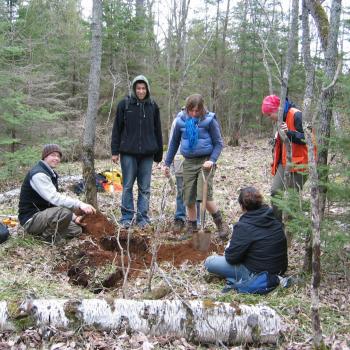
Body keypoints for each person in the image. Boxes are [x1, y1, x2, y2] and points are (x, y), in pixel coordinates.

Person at [163, 94, 228, 239]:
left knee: (203, 195)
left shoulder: (209, 120)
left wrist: (212, 160)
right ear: (187, 109)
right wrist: (166, 163)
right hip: (189, 162)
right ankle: (192, 228)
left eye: (197, 111)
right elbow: (174, 144)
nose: (194, 114)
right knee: (189, 197)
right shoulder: (181, 121)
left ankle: (221, 225)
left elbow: (219, 143)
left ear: (202, 109)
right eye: (191, 110)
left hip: (205, 162)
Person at [204, 187, 287, 290]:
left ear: (242, 206)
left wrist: (231, 246)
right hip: (280, 269)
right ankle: (234, 278)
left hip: (258, 274)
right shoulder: (273, 217)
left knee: (210, 262)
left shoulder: (244, 226)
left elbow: (231, 258)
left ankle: (239, 279)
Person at [111, 75, 163, 228]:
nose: (141, 91)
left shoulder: (153, 106)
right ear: (134, 89)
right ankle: (127, 217)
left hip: (147, 153)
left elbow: (158, 130)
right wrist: (115, 151)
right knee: (127, 186)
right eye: (138, 88)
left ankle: (143, 218)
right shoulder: (125, 105)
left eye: (143, 88)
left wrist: (159, 154)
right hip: (128, 152)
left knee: (145, 188)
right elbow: (117, 129)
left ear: (147, 89)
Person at [18, 144, 96, 243]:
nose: (56, 158)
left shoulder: (50, 173)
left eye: (58, 156)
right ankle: (48, 238)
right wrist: (80, 204)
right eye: (53, 155)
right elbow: (54, 198)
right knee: (64, 212)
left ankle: (42, 233)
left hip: (45, 215)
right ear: (45, 156)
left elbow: (53, 203)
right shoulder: (39, 174)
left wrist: (74, 218)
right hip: (32, 219)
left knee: (76, 230)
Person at [261, 95, 310, 222]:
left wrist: (289, 133)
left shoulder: (296, 115)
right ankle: (278, 224)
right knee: (275, 192)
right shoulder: (279, 120)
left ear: (277, 109)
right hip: (285, 162)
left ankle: (291, 230)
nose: (269, 117)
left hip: (301, 163)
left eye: (269, 114)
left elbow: (308, 138)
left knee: (292, 198)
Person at [167, 116, 200, 233]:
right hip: (180, 159)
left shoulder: (202, 119)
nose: (194, 112)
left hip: (198, 160)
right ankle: (180, 218)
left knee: (197, 191)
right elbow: (172, 142)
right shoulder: (178, 121)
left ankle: (196, 221)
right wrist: (169, 162)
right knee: (181, 191)